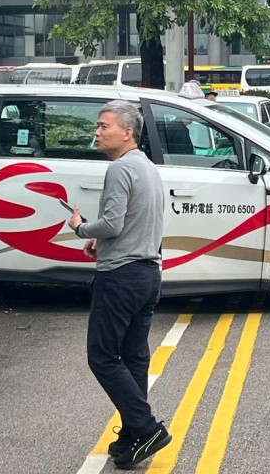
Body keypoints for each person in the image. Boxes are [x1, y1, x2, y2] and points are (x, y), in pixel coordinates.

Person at [67, 100, 171, 469]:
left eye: (103, 125)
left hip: (121, 277)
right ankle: (131, 435)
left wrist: (82, 228)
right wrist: (104, 237)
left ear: (127, 131)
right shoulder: (146, 167)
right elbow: (134, 222)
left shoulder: (120, 169)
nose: (97, 132)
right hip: (147, 274)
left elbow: (111, 224)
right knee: (134, 357)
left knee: (103, 356)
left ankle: (145, 428)